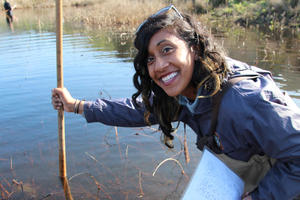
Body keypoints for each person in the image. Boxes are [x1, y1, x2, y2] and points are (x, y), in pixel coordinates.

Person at [52, 5, 300, 199]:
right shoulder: (183, 92)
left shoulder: (246, 100)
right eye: (150, 59)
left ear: (193, 47)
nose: (159, 65)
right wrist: (76, 105)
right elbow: (137, 110)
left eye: (167, 49)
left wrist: (260, 197)